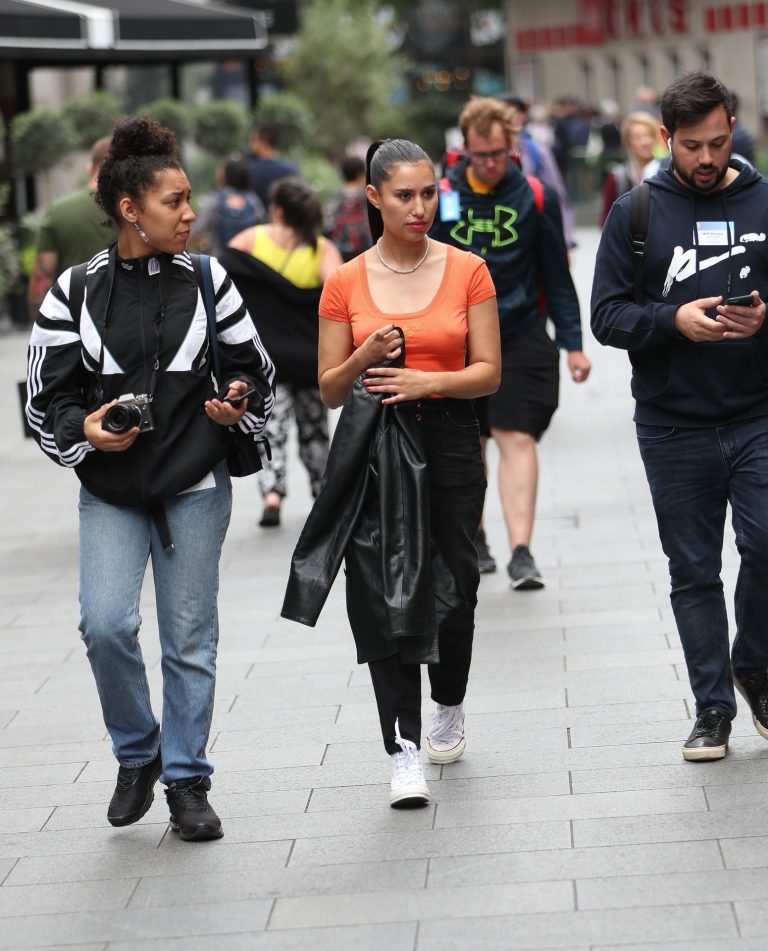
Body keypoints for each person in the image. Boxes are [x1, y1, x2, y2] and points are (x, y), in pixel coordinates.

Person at [24, 117, 276, 840]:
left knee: (189, 638)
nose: (190, 212)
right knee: (105, 624)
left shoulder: (209, 278)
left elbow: (254, 368)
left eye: (189, 197)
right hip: (110, 487)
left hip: (194, 482)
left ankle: (188, 779)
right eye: (175, 201)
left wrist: (235, 402)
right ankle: (138, 752)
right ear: (130, 208)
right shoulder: (73, 291)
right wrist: (86, 428)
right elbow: (45, 397)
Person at [284, 138, 500, 808]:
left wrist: (425, 379)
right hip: (375, 446)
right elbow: (328, 387)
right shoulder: (346, 280)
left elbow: (489, 371)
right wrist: (365, 356)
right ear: (374, 196)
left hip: (451, 439)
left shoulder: (468, 270)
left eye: (428, 192)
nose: (419, 207)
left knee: (455, 587)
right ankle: (403, 749)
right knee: (380, 591)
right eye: (404, 195)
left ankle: (449, 700)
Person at [591, 71, 768, 763]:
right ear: (666, 137)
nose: (706, 158)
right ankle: (713, 709)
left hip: (757, 412)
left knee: (766, 544)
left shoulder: (763, 199)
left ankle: (753, 663)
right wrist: (673, 322)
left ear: (733, 131)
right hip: (672, 424)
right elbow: (607, 315)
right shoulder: (636, 212)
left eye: (718, 143)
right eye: (692, 145)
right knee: (694, 571)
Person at [431, 97, 591, 587]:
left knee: (516, 435)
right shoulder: (441, 196)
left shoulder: (535, 196)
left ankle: (522, 551)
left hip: (519, 331)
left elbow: (555, 273)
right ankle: (477, 537)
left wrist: (573, 343)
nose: (489, 164)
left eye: (498, 154)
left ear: (512, 148)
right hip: (457, 338)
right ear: (465, 149)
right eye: (480, 155)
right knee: (470, 439)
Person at [228, 177, 342, 527]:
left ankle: (272, 494)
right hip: (310, 358)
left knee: (270, 428)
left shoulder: (249, 241)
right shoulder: (321, 249)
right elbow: (339, 292)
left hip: (267, 361)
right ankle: (323, 493)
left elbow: (224, 279)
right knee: (314, 430)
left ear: (277, 209)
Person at [27, 136, 117, 320]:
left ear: (89, 167)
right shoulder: (133, 210)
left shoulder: (59, 210)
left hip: (74, 318)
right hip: (125, 317)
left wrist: (40, 325)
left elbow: (41, 278)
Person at [499, 93, 577, 251]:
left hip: (530, 237)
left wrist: (565, 242)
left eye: (513, 112)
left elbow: (557, 196)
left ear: (523, 116)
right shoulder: (474, 153)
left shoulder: (536, 150)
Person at [192, 154, 266, 257]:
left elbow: (197, 229)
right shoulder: (253, 200)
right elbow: (264, 229)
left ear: (225, 175)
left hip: (219, 260)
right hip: (246, 261)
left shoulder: (216, 198)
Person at [600, 111, 662, 226]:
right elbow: (606, 221)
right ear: (628, 143)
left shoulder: (666, 171)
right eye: (638, 137)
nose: (645, 142)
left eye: (649, 135)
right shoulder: (617, 177)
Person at [323, 155, 373, 262]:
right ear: (360, 174)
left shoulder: (334, 196)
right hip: (365, 249)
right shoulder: (368, 197)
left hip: (339, 249)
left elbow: (327, 224)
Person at [246, 122, 299, 208]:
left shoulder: (249, 170)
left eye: (253, 140)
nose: (250, 145)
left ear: (264, 142)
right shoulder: (291, 170)